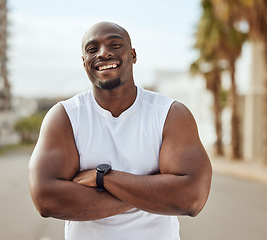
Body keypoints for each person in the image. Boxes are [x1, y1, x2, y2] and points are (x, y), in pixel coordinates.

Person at [28, 22, 212, 240]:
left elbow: (191, 198)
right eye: (92, 49)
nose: (104, 53)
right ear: (84, 62)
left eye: (115, 44)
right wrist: (153, 192)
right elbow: (47, 199)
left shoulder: (170, 114)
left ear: (133, 55)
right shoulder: (65, 117)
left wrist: (103, 178)